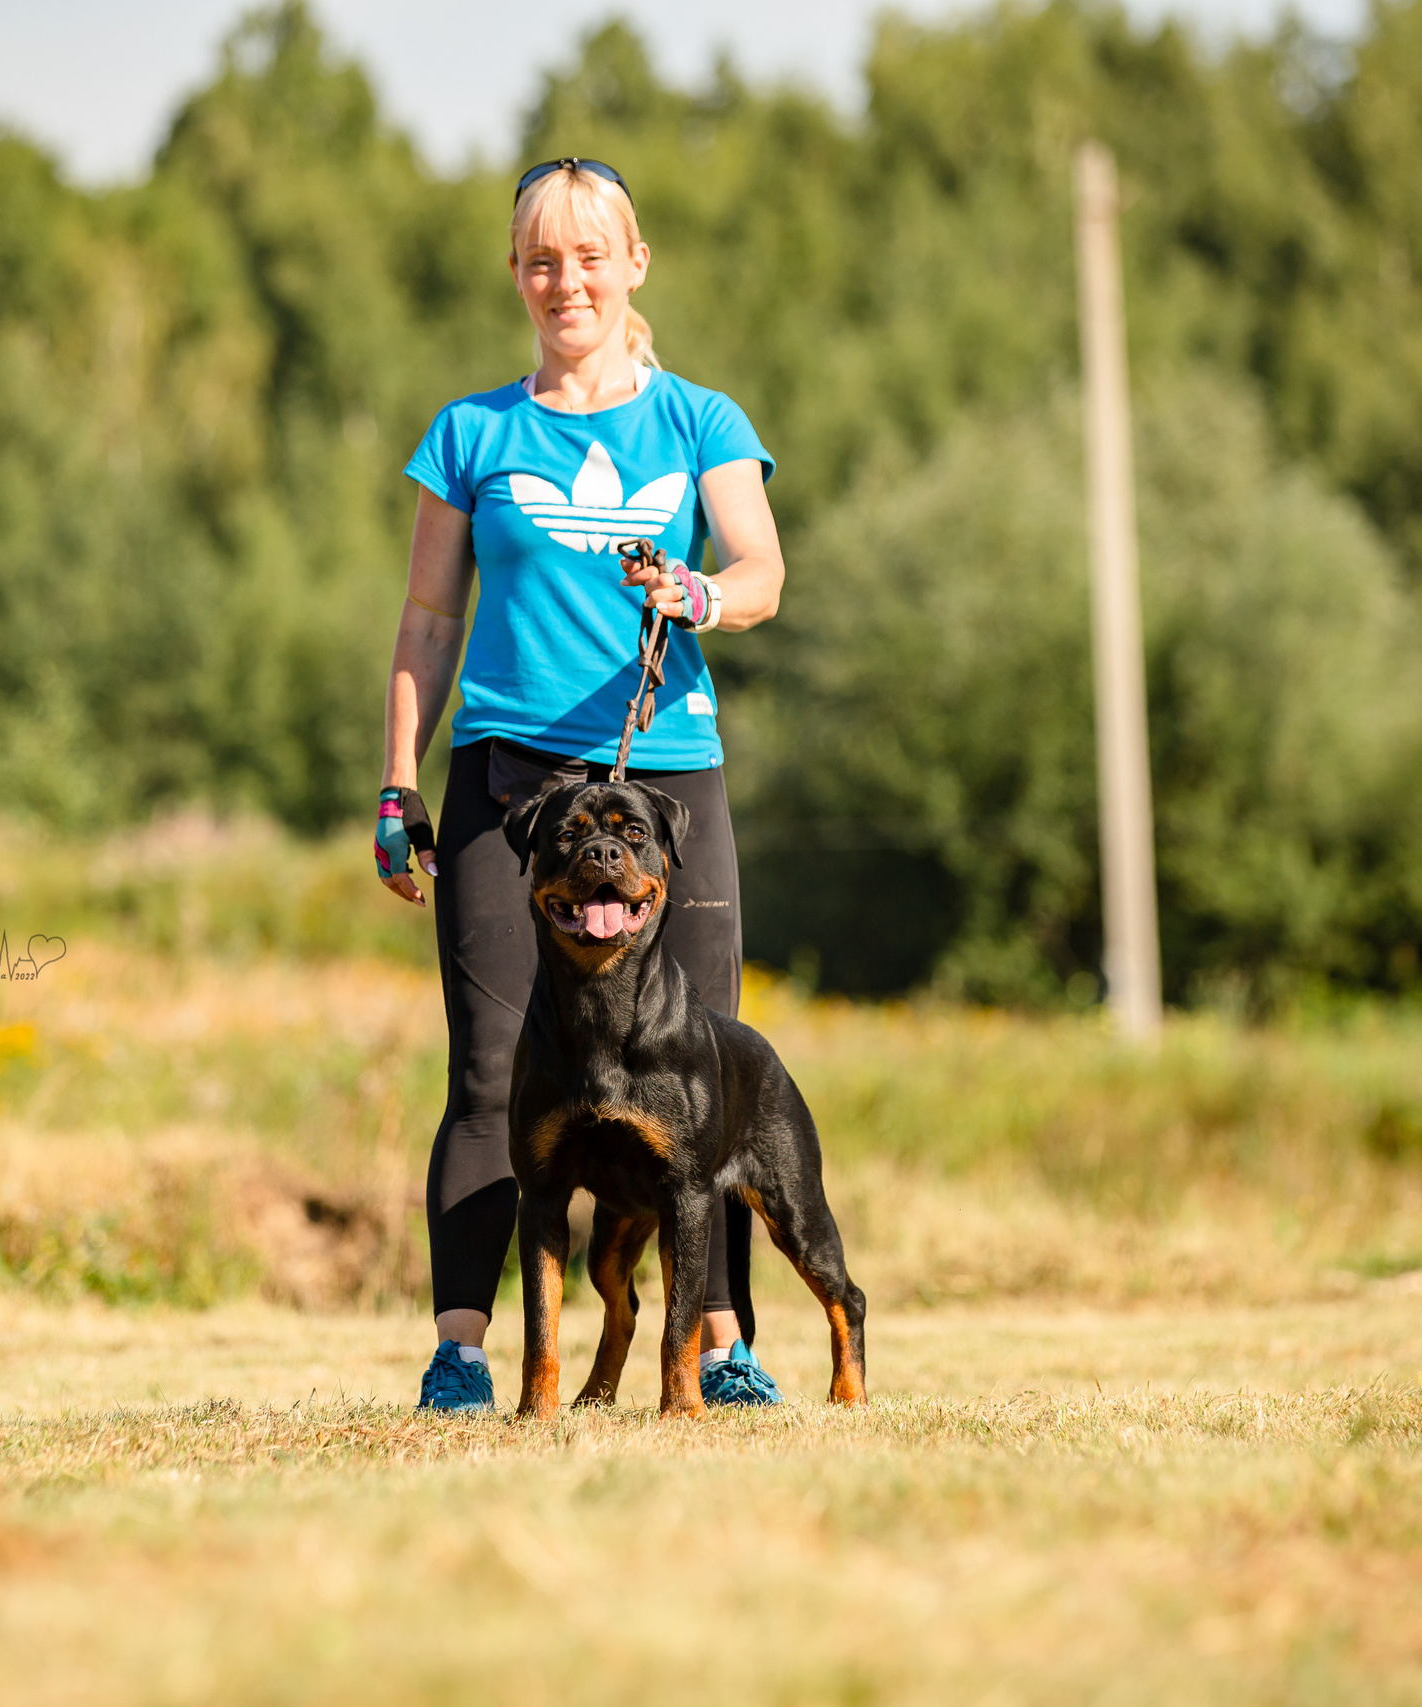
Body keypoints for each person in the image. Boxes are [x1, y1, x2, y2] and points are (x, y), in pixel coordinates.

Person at [377, 158, 792, 1412]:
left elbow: (761, 565)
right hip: (510, 788)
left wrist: (700, 594)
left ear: (635, 265)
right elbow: (428, 620)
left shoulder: (698, 422)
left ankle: (722, 1353)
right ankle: (460, 1354)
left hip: (666, 786)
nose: (568, 281)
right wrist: (400, 781)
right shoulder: (471, 432)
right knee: (493, 1072)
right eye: (543, 260)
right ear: (516, 275)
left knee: (699, 1078)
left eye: (590, 256)